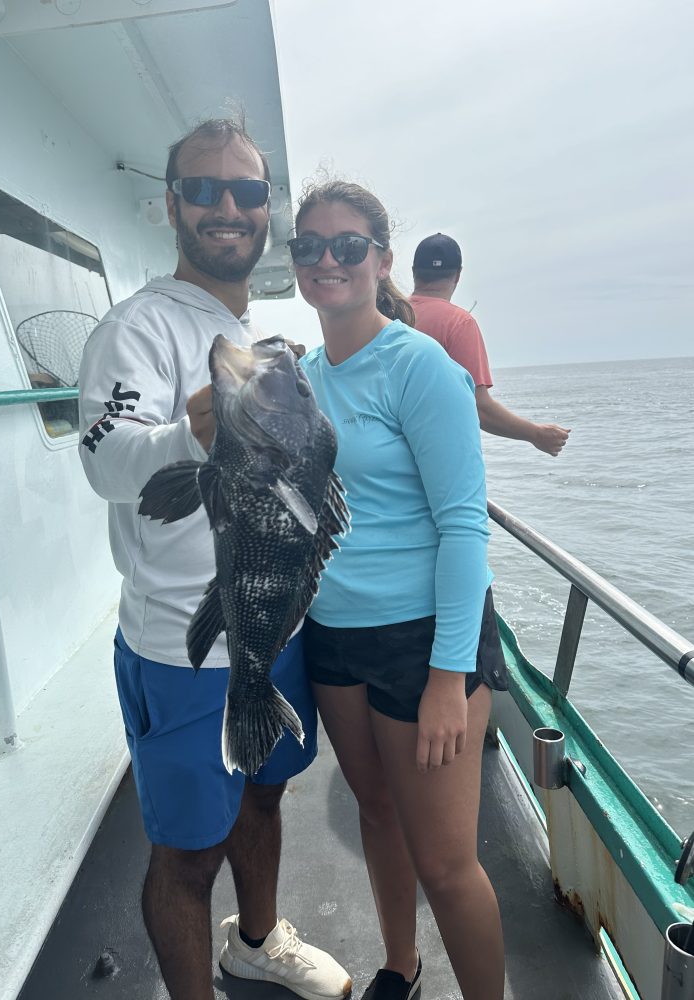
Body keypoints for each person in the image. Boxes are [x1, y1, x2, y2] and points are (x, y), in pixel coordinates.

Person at [78, 120, 352, 1000]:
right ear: (172, 204)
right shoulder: (138, 326)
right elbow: (105, 461)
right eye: (205, 190)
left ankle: (258, 941)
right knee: (188, 851)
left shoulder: (244, 326)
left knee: (266, 796)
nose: (227, 208)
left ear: (264, 211)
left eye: (245, 192)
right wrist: (195, 428)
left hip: (272, 626)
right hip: (184, 648)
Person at [288, 181, 506, 1000]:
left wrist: (451, 675)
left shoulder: (422, 368)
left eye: (348, 246)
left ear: (382, 261)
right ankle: (399, 966)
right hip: (333, 636)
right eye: (309, 246)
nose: (327, 260)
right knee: (376, 813)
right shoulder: (300, 377)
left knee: (448, 866)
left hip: (425, 642)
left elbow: (464, 527)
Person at [409, 234, 570, 457]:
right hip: (436, 460)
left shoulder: (386, 315)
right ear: (458, 274)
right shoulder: (459, 323)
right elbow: (480, 408)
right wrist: (535, 434)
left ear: (414, 271)